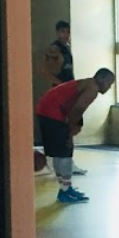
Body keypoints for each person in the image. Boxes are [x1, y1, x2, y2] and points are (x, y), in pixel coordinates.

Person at [35, 68, 115, 204]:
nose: (109, 87)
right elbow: (78, 109)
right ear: (101, 79)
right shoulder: (92, 88)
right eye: (109, 83)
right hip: (52, 112)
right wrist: (70, 131)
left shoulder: (87, 83)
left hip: (46, 109)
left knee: (59, 152)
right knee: (65, 151)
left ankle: (65, 188)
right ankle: (65, 191)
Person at [37, 20, 86, 175]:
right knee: (62, 127)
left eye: (67, 32)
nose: (65, 35)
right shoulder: (54, 49)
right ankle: (54, 159)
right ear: (57, 33)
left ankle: (67, 160)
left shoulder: (67, 48)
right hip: (60, 95)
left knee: (72, 127)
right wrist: (60, 86)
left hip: (70, 93)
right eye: (62, 32)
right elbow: (45, 71)